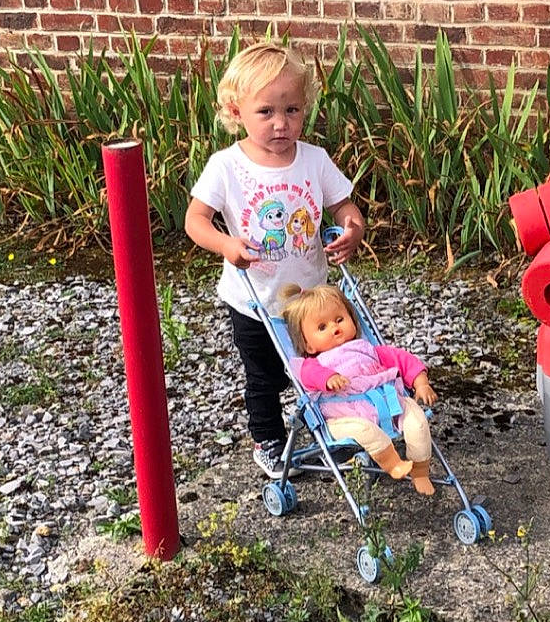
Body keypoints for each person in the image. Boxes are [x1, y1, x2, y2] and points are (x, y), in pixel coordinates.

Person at [184, 42, 364, 476]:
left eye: (293, 111)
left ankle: (339, 426)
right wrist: (226, 245)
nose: (281, 124)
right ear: (236, 110)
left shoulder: (314, 160)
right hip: (254, 301)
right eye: (266, 112)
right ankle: (268, 437)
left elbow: (344, 207)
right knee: (265, 377)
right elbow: (196, 221)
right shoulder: (226, 166)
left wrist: (353, 230)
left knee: (329, 366)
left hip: (311, 299)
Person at [281, 283, 438, 496]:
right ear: (309, 346)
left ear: (352, 321)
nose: (335, 328)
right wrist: (328, 378)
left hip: (389, 403)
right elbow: (309, 376)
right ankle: (392, 464)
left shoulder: (370, 350)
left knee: (417, 421)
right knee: (364, 431)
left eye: (339, 320)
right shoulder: (316, 362)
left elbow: (404, 360)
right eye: (322, 327)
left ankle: (420, 470)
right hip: (344, 417)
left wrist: (421, 383)